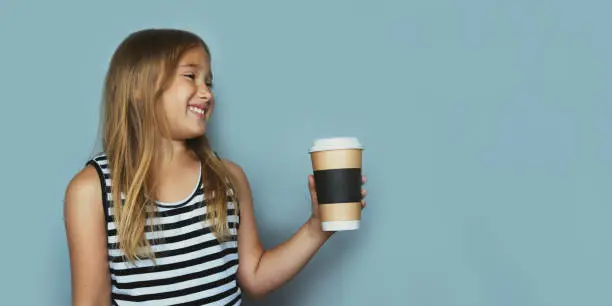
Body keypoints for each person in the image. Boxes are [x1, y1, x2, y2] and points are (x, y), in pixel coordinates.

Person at [63, 28, 367, 305]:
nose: (207, 92)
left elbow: (256, 276)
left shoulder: (228, 178)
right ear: (140, 87)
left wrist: (318, 227)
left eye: (208, 81)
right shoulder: (93, 190)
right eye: (190, 76)